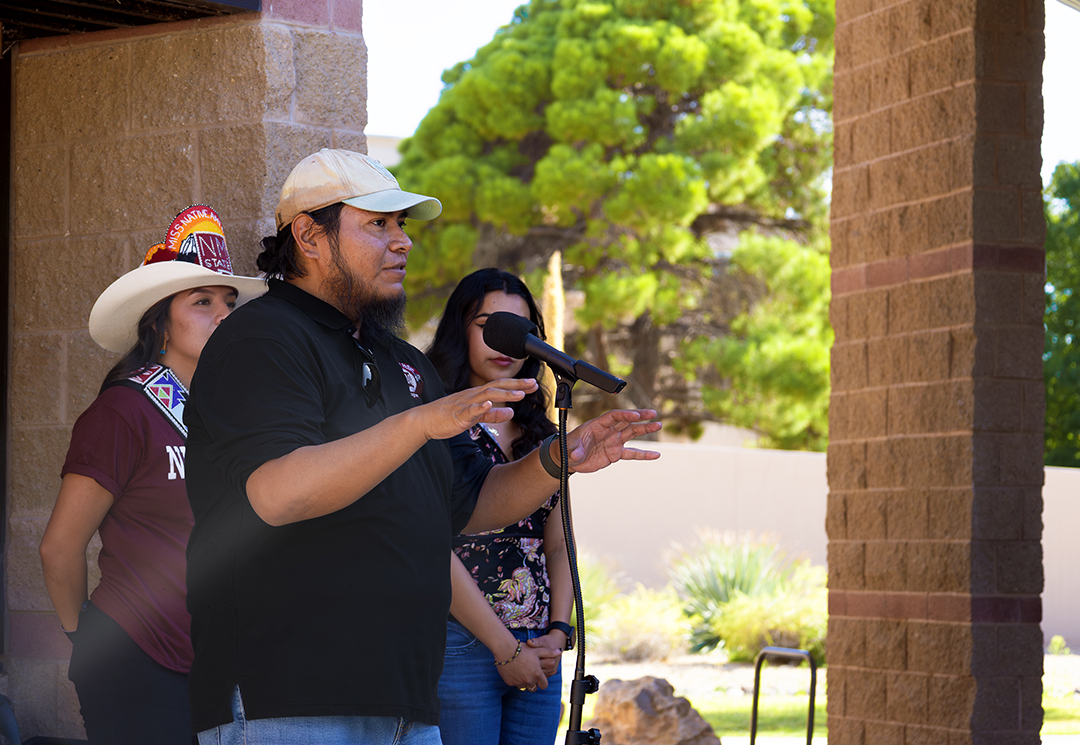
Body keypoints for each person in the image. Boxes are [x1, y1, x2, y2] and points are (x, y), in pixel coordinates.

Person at [183, 148, 661, 744]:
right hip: (288, 696)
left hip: (409, 701)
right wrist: (417, 424)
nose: (402, 242)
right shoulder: (260, 337)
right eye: (378, 224)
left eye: (402, 225)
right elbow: (280, 494)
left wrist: (559, 460)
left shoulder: (402, 363)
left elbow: (470, 504)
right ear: (308, 235)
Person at [39, 206, 267, 745]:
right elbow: (58, 548)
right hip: (131, 659)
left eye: (229, 303)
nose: (222, 315)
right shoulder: (123, 411)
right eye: (202, 301)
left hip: (217, 663)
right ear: (161, 320)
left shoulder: (232, 417)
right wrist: (82, 637)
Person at [427, 268, 571, 745]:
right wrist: (504, 649)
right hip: (462, 643)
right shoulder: (433, 422)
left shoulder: (545, 436)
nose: (504, 341)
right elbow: (429, 547)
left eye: (520, 330)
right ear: (459, 329)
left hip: (539, 647)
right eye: (487, 323)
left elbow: (559, 544)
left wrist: (558, 632)